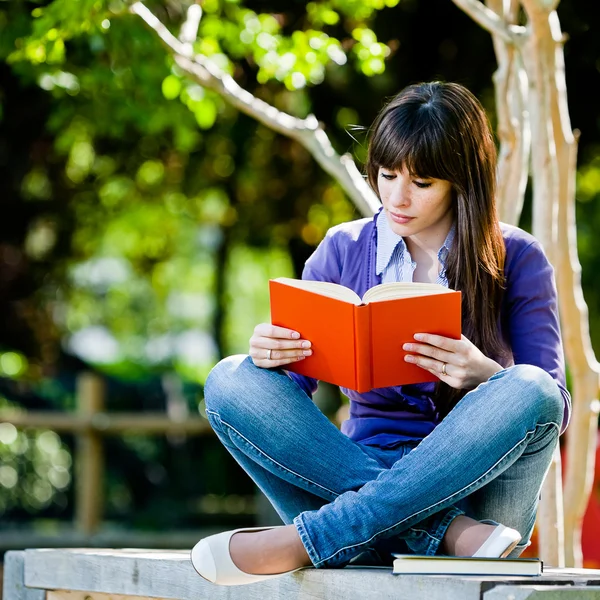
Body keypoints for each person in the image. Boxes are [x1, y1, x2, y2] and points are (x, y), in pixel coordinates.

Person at [191, 81, 570, 586]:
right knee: (228, 379)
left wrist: (487, 375)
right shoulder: (341, 248)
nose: (397, 196)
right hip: (369, 478)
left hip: (480, 488)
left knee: (530, 388)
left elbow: (554, 407)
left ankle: (317, 539)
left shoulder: (518, 257)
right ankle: (442, 533)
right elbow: (291, 394)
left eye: (422, 183)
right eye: (387, 175)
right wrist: (273, 356)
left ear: (462, 180)